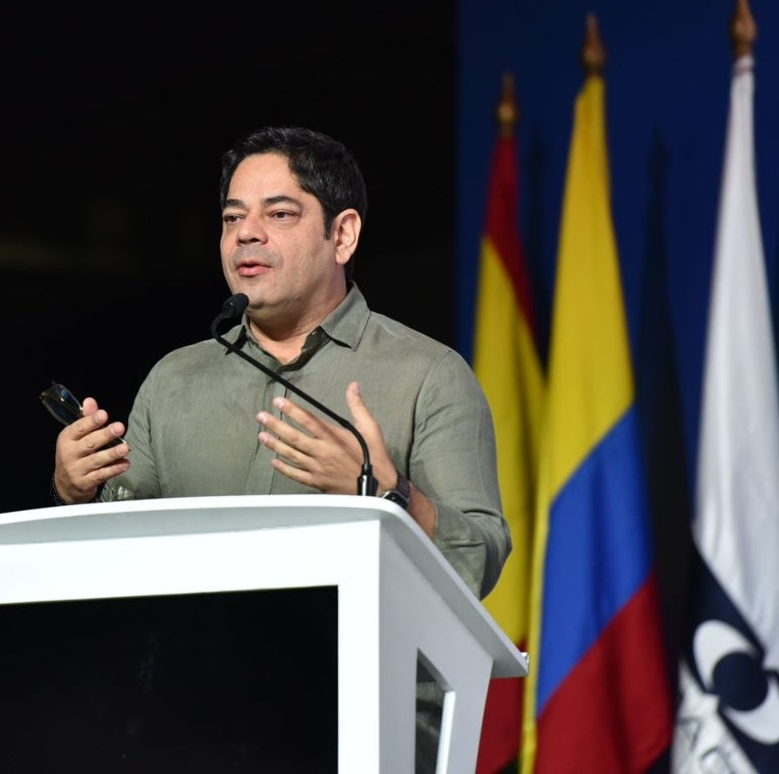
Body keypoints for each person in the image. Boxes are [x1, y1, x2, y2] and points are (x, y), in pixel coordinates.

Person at [50, 124, 509, 769]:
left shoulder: (428, 375)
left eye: (280, 214)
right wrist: (79, 488)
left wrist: (384, 493)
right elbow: (122, 552)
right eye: (232, 217)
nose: (246, 234)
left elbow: (482, 556)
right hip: (188, 722)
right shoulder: (176, 378)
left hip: (367, 724)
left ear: (342, 235)